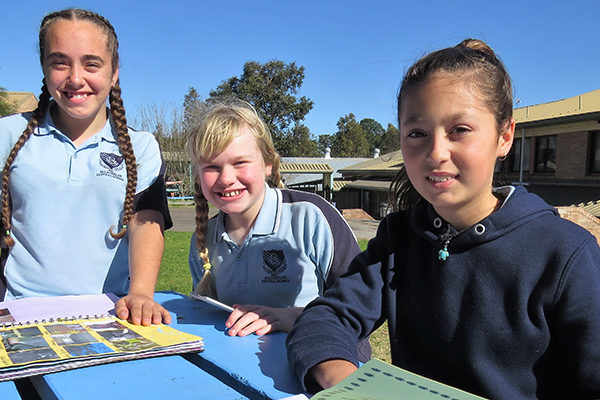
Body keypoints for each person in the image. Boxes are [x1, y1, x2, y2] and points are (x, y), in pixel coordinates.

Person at [286, 38, 600, 399]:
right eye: (417, 133)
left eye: (459, 130)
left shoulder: (565, 253)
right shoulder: (399, 238)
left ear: (504, 137)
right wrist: (349, 385)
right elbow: (325, 320)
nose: (436, 153)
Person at [0, 8, 173, 326]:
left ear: (114, 72)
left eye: (91, 64)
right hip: (19, 312)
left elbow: (146, 222)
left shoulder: (142, 146)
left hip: (111, 313)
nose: (76, 78)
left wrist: (141, 294)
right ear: (44, 67)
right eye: (60, 62)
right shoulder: (6, 134)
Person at [187, 101, 368, 358]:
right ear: (197, 175)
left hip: (320, 363)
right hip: (238, 368)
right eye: (212, 167)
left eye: (240, 162)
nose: (226, 178)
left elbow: (360, 305)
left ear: (268, 163)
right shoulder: (204, 241)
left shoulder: (310, 216)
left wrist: (291, 317)